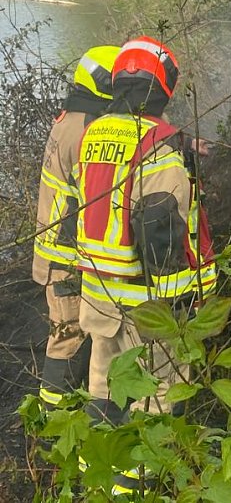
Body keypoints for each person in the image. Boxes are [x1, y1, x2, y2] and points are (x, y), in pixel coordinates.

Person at [76, 36, 217, 432]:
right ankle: (146, 470)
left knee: (105, 387)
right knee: (158, 395)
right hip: (147, 302)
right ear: (164, 87)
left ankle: (97, 465)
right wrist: (175, 306)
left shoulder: (95, 132)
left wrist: (179, 142)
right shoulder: (159, 148)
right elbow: (158, 229)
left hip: (100, 290)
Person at [33, 44, 121, 409]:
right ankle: (54, 421)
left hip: (59, 252)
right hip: (66, 257)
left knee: (72, 333)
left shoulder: (73, 117)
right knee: (68, 338)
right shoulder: (88, 129)